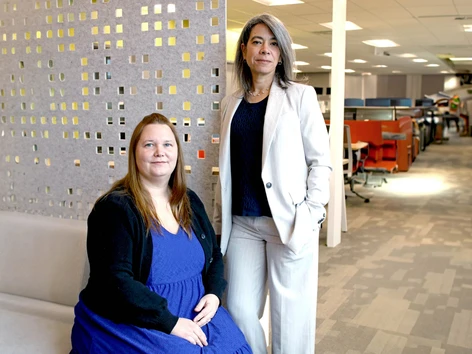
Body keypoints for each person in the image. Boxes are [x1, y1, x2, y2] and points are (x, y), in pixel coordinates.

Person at [71, 113, 252, 354]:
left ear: (177, 152)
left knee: (237, 346)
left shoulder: (189, 201)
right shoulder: (115, 208)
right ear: (134, 153)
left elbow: (214, 256)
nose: (160, 151)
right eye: (149, 144)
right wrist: (171, 323)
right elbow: (116, 281)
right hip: (134, 319)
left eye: (167, 144)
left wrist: (214, 294)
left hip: (193, 311)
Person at [213, 13, 332, 354]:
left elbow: (320, 162)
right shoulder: (229, 104)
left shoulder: (300, 96)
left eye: (274, 43)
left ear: (281, 54)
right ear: (245, 50)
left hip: (289, 221)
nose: (265, 49)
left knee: (290, 318)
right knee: (237, 308)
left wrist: (311, 215)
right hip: (243, 224)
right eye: (257, 41)